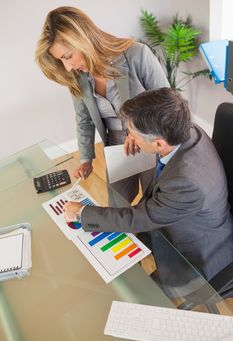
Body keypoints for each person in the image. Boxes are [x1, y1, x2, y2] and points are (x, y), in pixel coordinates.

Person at [64, 87, 233, 282]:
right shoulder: (187, 130)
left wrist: (82, 213)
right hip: (178, 219)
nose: (130, 137)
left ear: (159, 144)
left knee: (131, 290)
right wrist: (140, 137)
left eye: (132, 134)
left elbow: (141, 217)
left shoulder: (187, 183)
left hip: (197, 255)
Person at [35, 6, 169, 203]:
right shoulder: (78, 77)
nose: (68, 66)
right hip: (116, 145)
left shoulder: (137, 54)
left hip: (151, 139)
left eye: (67, 56)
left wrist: (140, 131)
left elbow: (168, 103)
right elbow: (84, 120)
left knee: (154, 202)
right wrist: (86, 159)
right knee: (116, 203)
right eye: (61, 60)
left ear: (83, 40)